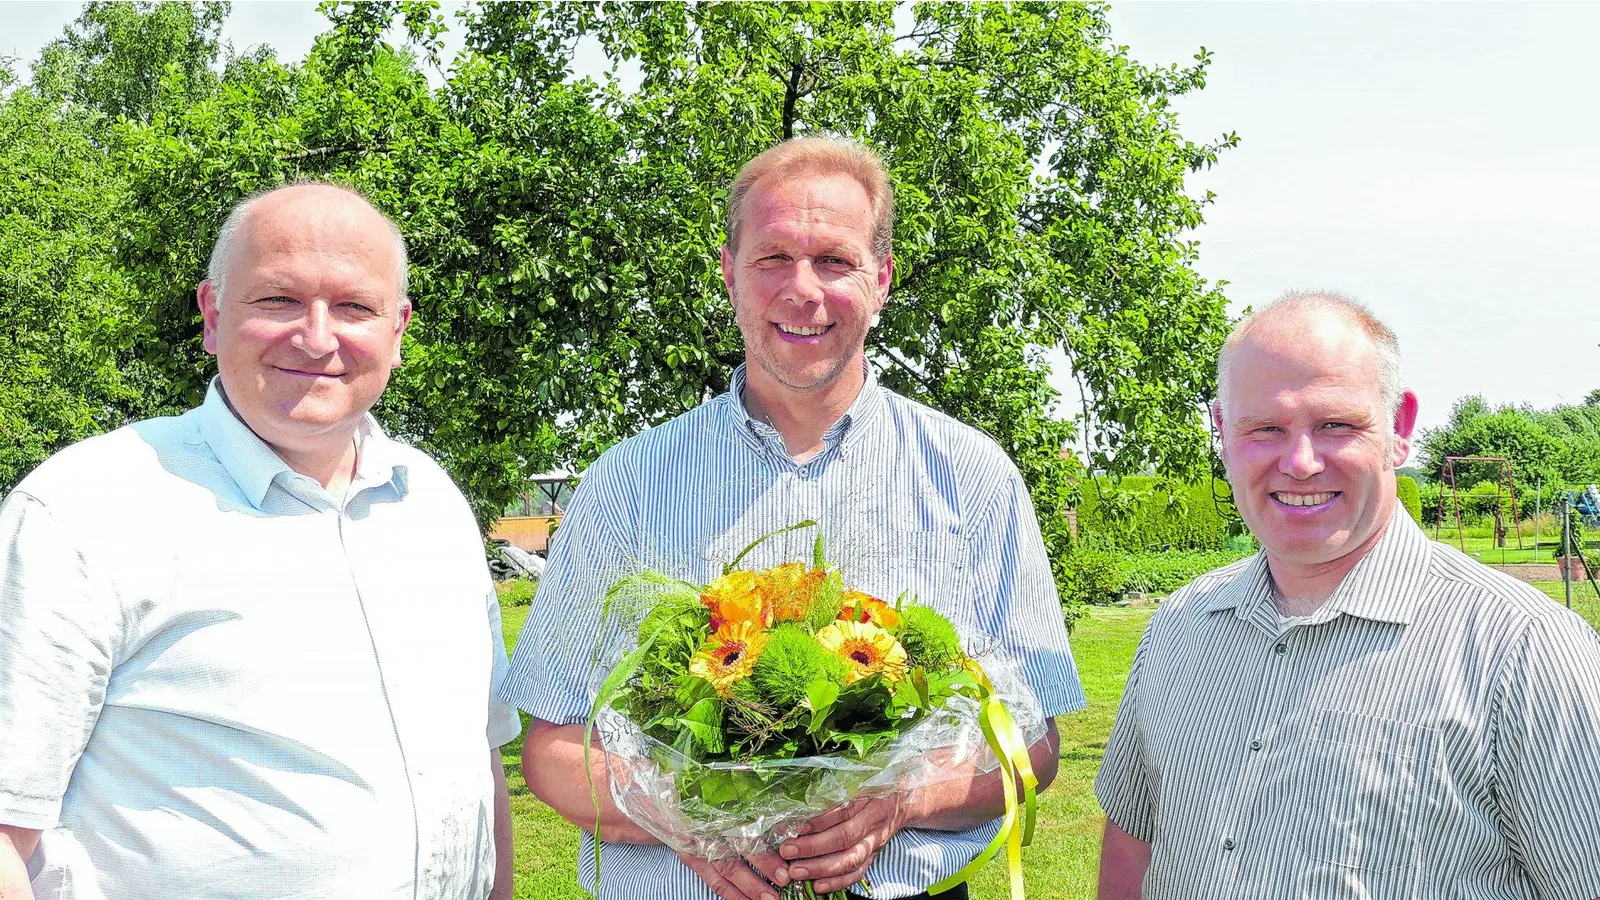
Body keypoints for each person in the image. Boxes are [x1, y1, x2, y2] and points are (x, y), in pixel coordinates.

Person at [499, 134, 1085, 900]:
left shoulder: (971, 476)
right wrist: (693, 821)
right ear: (729, 274)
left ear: (881, 280)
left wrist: (904, 799)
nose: (802, 290)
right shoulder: (627, 485)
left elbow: (1034, 745)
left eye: (833, 261)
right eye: (772, 257)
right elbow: (551, 749)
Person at [0, 183, 522, 900]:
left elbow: (479, 759)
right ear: (213, 316)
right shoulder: (84, 511)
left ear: (398, 331)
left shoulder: (431, 505)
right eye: (277, 299)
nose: (315, 336)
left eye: (354, 307)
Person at [1095, 292, 1600, 898]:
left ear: (1401, 427)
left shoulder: (1529, 655)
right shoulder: (1180, 627)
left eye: (1336, 424)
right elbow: (1132, 842)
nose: (1300, 462)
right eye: (1266, 429)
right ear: (1223, 432)